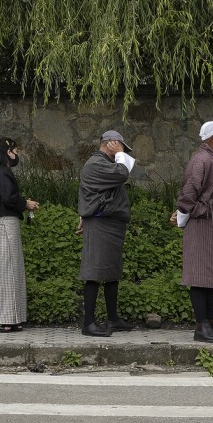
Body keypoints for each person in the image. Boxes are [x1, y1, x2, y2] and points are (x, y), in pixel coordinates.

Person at [172, 121, 213, 344]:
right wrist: (182, 213)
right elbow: (190, 189)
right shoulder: (201, 159)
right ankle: (201, 327)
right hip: (202, 221)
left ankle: (211, 321)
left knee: (210, 275)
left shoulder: (212, 157)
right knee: (200, 275)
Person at [77, 130, 137, 337]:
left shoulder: (104, 164)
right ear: (110, 144)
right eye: (119, 147)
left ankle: (113, 319)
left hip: (110, 224)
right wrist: (120, 154)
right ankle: (89, 323)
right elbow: (122, 173)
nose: (121, 152)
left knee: (112, 272)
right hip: (100, 223)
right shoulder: (96, 164)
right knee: (94, 271)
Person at [0, 138, 40, 333]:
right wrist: (26, 204)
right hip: (5, 222)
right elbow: (8, 197)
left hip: (8, 222)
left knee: (11, 270)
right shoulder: (1, 171)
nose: (16, 153)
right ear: (8, 152)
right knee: (4, 269)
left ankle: (11, 317)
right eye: (15, 150)